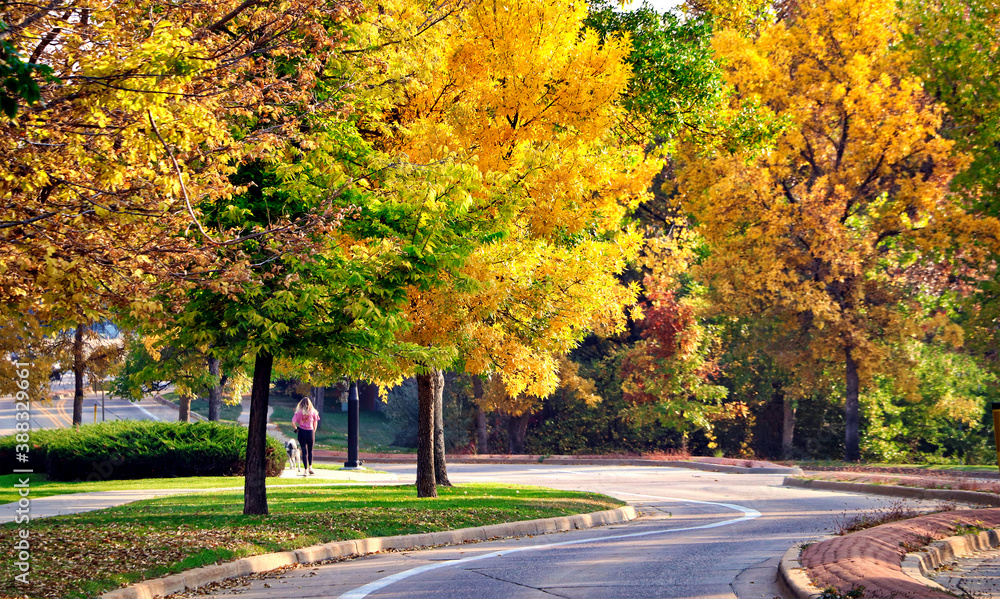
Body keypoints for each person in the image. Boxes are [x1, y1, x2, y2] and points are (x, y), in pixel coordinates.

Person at [292, 397, 320, 475]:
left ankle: (305, 470)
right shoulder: (313, 412)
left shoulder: (298, 412)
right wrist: (314, 430)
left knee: (304, 451)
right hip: (310, 432)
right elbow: (315, 423)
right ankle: (310, 466)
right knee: (310, 450)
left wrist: (296, 429)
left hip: (301, 432)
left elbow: (293, 422)